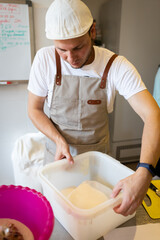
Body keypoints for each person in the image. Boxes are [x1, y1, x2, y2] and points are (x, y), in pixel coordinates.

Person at [27, 0, 160, 216]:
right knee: (55, 218)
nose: (71, 58)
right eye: (62, 50)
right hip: (57, 161)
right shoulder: (44, 59)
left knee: (94, 220)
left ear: (92, 31)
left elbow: (153, 114)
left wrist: (144, 172)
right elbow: (34, 109)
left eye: (78, 47)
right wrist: (59, 140)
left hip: (96, 166)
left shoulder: (116, 66)